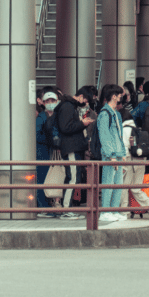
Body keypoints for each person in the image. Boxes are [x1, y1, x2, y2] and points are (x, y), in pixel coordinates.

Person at [53, 85, 94, 219]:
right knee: (72, 178)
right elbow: (66, 127)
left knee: (72, 177)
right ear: (81, 96)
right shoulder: (68, 107)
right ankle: (66, 209)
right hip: (71, 147)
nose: (86, 103)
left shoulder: (69, 106)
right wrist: (82, 123)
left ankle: (67, 208)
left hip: (72, 147)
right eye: (86, 100)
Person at [96, 83, 127, 222]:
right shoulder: (105, 113)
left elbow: (118, 135)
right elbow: (105, 136)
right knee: (108, 182)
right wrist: (112, 155)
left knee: (117, 183)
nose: (121, 96)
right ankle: (105, 211)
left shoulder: (115, 113)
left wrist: (122, 152)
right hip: (111, 155)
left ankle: (114, 210)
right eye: (119, 94)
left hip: (117, 153)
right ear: (114, 96)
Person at [121, 117, 149, 219]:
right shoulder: (137, 130)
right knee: (136, 187)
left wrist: (123, 164)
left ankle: (124, 212)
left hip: (130, 161)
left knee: (123, 187)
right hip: (141, 160)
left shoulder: (124, 130)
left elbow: (125, 149)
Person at [36, 88, 60, 217]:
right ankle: (43, 207)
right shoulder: (41, 117)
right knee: (42, 179)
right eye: (48, 101)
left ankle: (51, 205)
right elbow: (36, 135)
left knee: (52, 179)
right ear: (43, 103)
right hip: (43, 152)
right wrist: (51, 141)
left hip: (52, 152)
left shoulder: (57, 116)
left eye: (53, 100)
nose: (50, 103)